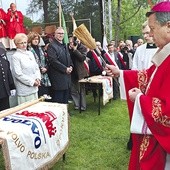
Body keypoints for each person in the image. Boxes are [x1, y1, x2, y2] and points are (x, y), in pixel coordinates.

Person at [105, 1, 170, 169]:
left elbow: (167, 112)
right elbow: (148, 75)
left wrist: (140, 99)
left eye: (153, 29)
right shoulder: (165, 52)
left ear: (168, 26)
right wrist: (121, 73)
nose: (150, 35)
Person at [11, 33, 41, 105]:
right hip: (24, 89)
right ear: (16, 45)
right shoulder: (15, 56)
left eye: (25, 42)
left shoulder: (30, 53)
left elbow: (36, 67)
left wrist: (38, 78)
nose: (24, 45)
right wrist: (32, 82)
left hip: (34, 87)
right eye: (21, 43)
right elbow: (18, 74)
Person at [47, 27, 73, 104]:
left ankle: (65, 114)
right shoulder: (51, 46)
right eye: (59, 33)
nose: (61, 35)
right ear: (55, 34)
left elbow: (69, 58)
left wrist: (71, 66)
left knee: (65, 100)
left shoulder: (64, 45)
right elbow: (53, 61)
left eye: (62, 33)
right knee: (58, 101)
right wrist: (65, 69)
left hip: (66, 78)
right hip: (58, 78)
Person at [27, 31, 51, 97]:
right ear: (30, 40)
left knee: (46, 96)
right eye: (34, 39)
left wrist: (46, 68)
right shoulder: (28, 50)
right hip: (35, 77)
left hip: (44, 76)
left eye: (37, 39)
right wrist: (39, 70)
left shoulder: (41, 49)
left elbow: (47, 61)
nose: (36, 41)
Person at [68, 36, 88, 110]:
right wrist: (70, 49)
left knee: (81, 90)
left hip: (80, 72)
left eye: (72, 42)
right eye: (70, 42)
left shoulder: (83, 48)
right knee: (73, 90)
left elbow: (82, 58)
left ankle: (83, 106)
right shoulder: (68, 48)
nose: (71, 44)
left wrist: (75, 50)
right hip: (71, 72)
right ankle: (77, 104)